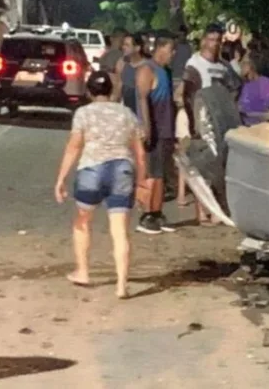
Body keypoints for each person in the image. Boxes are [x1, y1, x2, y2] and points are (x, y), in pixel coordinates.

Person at [54, 71, 146, 299]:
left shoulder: (83, 113)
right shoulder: (127, 113)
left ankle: (83, 272)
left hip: (91, 170)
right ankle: (122, 285)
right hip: (122, 170)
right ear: (111, 91)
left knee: (82, 221)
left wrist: (61, 179)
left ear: (89, 91)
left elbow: (74, 146)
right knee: (120, 229)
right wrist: (143, 181)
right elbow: (139, 152)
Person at [178, 23, 242, 225]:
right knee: (203, 165)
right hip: (202, 119)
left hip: (221, 120)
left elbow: (236, 85)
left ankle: (219, 210)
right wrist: (193, 123)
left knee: (220, 164)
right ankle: (202, 211)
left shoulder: (223, 66)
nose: (215, 44)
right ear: (204, 40)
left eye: (218, 40)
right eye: (212, 40)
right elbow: (188, 95)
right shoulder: (194, 64)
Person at [134, 33, 177, 235]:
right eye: (171, 50)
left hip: (166, 128)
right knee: (153, 174)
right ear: (160, 49)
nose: (173, 54)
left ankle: (158, 212)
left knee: (161, 175)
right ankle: (147, 215)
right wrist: (146, 127)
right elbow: (143, 100)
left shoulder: (165, 71)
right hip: (155, 129)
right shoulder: (147, 70)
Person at [238, 53, 269, 125]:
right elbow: (241, 105)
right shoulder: (246, 86)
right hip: (246, 124)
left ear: (252, 67)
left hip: (262, 124)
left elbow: (268, 108)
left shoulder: (265, 82)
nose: (241, 67)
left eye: (247, 74)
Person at [113, 33, 148, 111]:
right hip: (127, 111)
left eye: (127, 45)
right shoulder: (121, 63)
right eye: (123, 45)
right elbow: (118, 87)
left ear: (137, 48)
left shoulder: (148, 66)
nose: (123, 47)